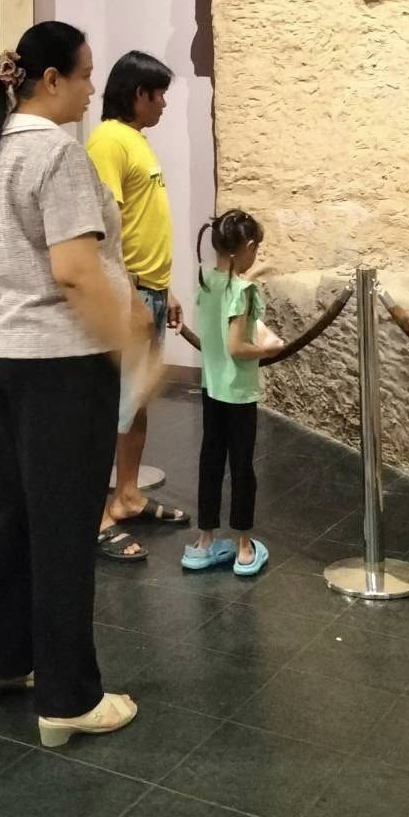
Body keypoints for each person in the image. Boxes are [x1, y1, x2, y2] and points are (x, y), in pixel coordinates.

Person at [0, 21, 144, 749]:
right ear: (50, 80)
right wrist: (127, 341)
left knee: (6, 514)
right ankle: (69, 696)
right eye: (86, 73)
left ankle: (0, 663)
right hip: (59, 365)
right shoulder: (57, 153)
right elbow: (74, 271)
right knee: (65, 528)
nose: (94, 87)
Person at [87, 50, 190, 562]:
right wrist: (129, 296)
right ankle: (97, 517)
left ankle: (127, 495)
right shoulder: (108, 140)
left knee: (136, 402)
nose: (164, 104)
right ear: (137, 94)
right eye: (159, 94)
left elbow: (142, 225)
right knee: (111, 408)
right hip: (128, 297)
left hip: (147, 291)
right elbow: (104, 228)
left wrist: (162, 289)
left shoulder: (134, 141)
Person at [175, 210, 284, 576]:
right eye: (257, 250)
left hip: (212, 387)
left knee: (210, 460)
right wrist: (267, 349)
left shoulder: (207, 282)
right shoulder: (244, 291)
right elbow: (237, 347)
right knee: (241, 466)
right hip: (238, 392)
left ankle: (205, 540)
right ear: (249, 247)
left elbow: (225, 307)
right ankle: (244, 547)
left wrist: (251, 274)